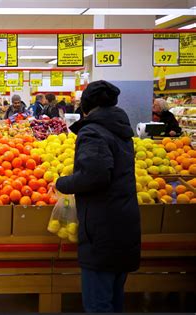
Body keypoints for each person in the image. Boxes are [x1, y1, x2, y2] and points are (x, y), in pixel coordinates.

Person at [55, 80, 141, 313]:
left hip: (103, 225)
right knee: (114, 296)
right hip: (123, 220)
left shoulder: (93, 131)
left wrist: (62, 183)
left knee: (98, 302)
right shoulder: (122, 130)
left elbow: (95, 175)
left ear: (85, 106)